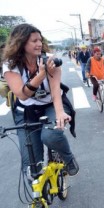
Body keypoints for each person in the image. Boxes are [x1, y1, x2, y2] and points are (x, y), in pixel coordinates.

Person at [2, 23, 79, 178]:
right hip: (25, 110)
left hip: (50, 104)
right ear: (21, 43)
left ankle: (69, 159)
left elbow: (56, 92)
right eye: (34, 41)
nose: (39, 44)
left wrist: (60, 114)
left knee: (51, 136)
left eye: (40, 40)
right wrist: (41, 74)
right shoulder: (10, 66)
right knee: (30, 167)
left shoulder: (50, 60)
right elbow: (22, 95)